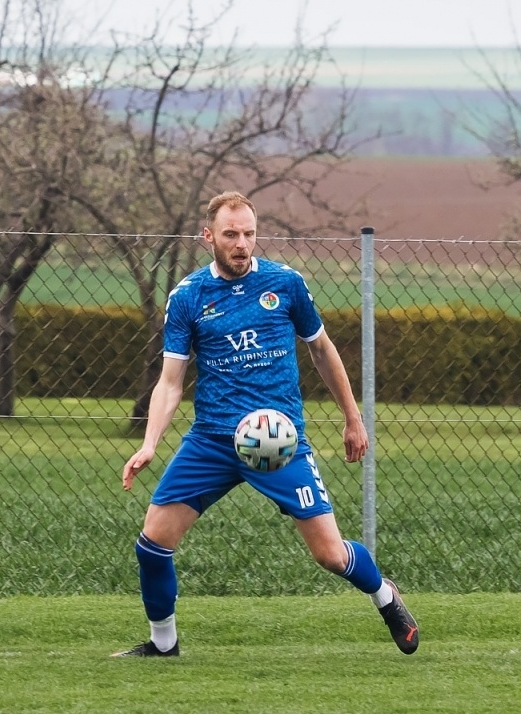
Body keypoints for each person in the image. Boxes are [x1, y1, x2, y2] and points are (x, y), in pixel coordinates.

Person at [116, 191, 419, 658]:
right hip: (213, 441)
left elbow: (322, 350)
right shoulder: (189, 296)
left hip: (278, 443)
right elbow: (171, 382)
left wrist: (352, 419)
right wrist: (150, 443)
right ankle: (163, 644)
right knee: (153, 542)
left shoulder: (286, 283)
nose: (241, 244)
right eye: (231, 234)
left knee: (331, 556)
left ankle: (385, 596)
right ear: (208, 237)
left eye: (249, 234)